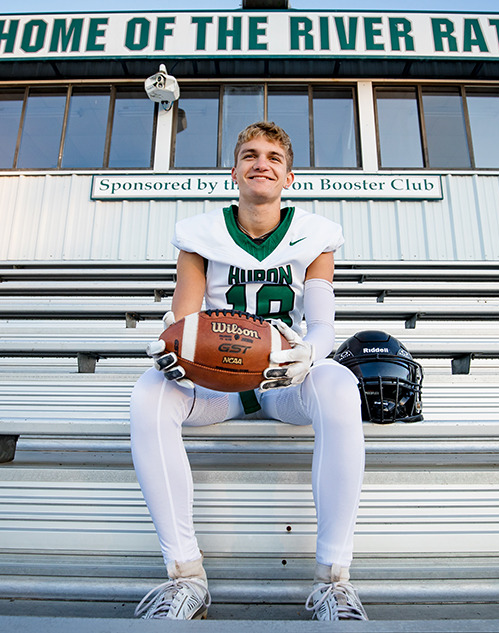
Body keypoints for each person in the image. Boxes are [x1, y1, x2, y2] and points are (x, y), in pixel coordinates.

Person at [130, 121, 368, 622]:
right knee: (150, 389)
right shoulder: (199, 235)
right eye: (250, 155)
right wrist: (172, 343)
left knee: (341, 381)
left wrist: (309, 353)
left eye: (274, 158)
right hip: (216, 387)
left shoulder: (315, 235)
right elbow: (184, 317)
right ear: (234, 171)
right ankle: (184, 575)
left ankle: (334, 582)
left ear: (289, 176)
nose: (262, 163)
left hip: (283, 383)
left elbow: (322, 324)